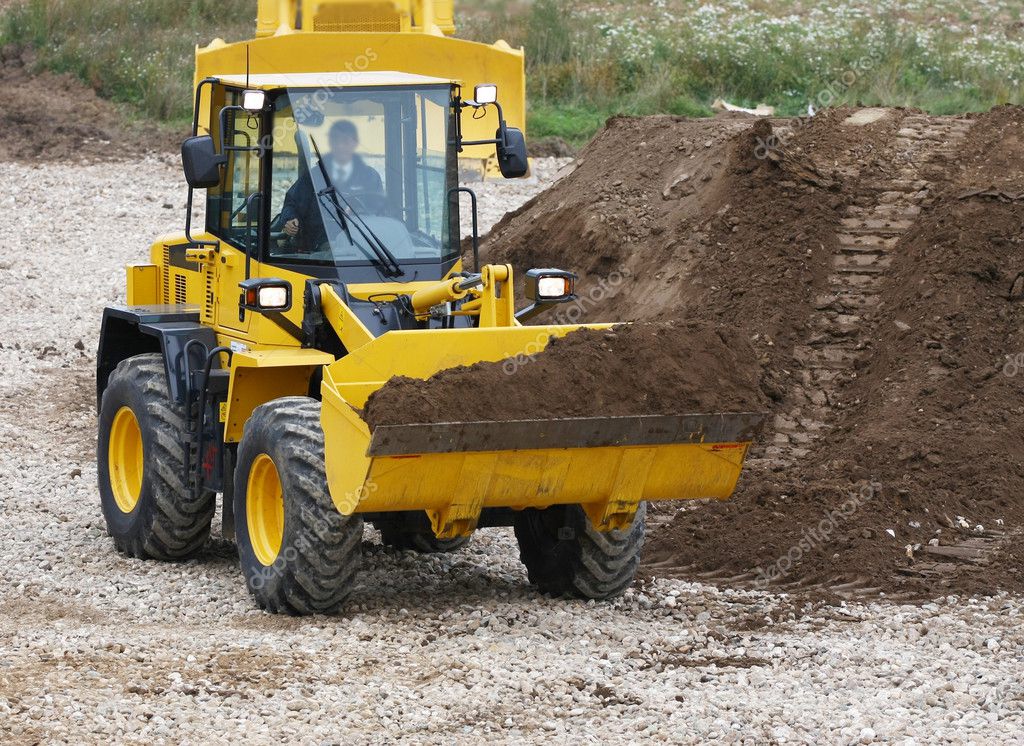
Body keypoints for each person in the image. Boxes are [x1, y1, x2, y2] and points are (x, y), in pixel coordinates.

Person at [278, 119, 383, 251]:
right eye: (336, 141)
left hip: (365, 240)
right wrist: (289, 219)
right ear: (331, 144)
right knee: (334, 251)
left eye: (345, 141)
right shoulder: (313, 177)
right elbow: (292, 204)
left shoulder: (370, 177)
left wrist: (357, 212)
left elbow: (380, 209)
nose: (340, 146)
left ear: (354, 143)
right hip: (322, 240)